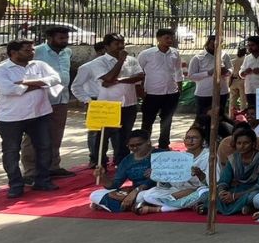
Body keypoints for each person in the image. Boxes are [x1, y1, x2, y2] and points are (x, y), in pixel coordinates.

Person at [0, 40, 63, 198]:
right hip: (11, 118)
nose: (32, 53)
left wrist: (25, 83)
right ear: (13, 52)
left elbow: (55, 79)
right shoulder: (0, 69)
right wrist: (39, 84)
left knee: (44, 147)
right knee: (11, 152)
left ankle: (42, 180)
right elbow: (9, 89)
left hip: (40, 114)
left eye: (32, 50)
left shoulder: (39, 65)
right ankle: (16, 185)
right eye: (27, 50)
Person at [22, 26, 72, 180]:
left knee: (56, 135)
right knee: (32, 137)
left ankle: (53, 166)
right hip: (40, 100)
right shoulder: (35, 52)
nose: (64, 41)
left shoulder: (67, 52)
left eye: (66, 38)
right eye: (61, 38)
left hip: (61, 99)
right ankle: (30, 171)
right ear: (49, 38)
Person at [93, 33, 146, 164]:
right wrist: (120, 61)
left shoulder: (132, 60)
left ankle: (121, 161)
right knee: (104, 135)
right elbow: (108, 78)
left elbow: (140, 76)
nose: (121, 46)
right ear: (106, 46)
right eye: (117, 44)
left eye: (123, 43)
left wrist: (120, 80)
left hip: (129, 103)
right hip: (108, 104)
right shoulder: (99, 62)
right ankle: (99, 162)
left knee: (125, 135)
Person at [135, 126, 212, 214]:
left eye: (194, 138)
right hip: (179, 192)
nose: (190, 141)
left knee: (204, 192)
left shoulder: (209, 157)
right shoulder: (179, 158)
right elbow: (167, 185)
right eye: (188, 138)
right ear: (184, 140)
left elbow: (213, 184)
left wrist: (201, 175)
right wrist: (158, 176)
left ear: (203, 141)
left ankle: (158, 209)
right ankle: (188, 204)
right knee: (143, 195)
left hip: (198, 190)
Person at [138, 28, 183, 151]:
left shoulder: (175, 53)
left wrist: (180, 87)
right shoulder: (146, 54)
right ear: (158, 39)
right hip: (152, 93)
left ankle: (164, 144)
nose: (170, 40)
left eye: (171, 37)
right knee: (148, 121)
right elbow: (138, 72)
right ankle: (144, 145)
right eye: (166, 38)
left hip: (171, 92)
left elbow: (178, 70)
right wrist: (141, 91)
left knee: (167, 120)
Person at [90, 130, 155, 212]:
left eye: (139, 144)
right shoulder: (127, 160)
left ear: (148, 142)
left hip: (157, 190)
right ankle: (137, 206)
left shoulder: (160, 154)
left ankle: (126, 205)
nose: (135, 148)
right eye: (131, 146)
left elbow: (172, 176)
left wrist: (158, 174)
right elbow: (115, 184)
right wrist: (103, 177)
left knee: (149, 195)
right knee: (95, 194)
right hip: (135, 193)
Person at [72, 41, 113, 169]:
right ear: (102, 50)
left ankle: (114, 157)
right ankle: (95, 159)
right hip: (96, 102)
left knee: (114, 131)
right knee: (96, 133)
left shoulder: (115, 65)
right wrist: (88, 100)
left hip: (113, 101)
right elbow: (76, 86)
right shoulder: (87, 67)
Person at [216, 128, 259, 215]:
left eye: (246, 143)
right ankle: (242, 208)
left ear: (253, 144)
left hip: (254, 190)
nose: (242, 146)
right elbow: (223, 181)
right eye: (239, 143)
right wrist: (222, 193)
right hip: (238, 189)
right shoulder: (233, 158)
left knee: (253, 197)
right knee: (209, 194)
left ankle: (245, 207)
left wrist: (235, 196)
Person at [188, 35, 232, 118]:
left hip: (222, 92)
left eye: (219, 45)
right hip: (204, 93)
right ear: (208, 43)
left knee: (220, 117)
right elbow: (191, 76)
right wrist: (208, 73)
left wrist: (226, 71)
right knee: (203, 118)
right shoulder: (197, 58)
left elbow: (230, 69)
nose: (216, 47)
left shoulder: (224, 55)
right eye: (213, 44)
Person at [229, 47, 248, 113]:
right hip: (242, 80)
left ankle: (232, 114)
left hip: (233, 81)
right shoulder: (246, 60)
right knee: (243, 100)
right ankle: (243, 114)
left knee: (232, 100)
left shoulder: (233, 61)